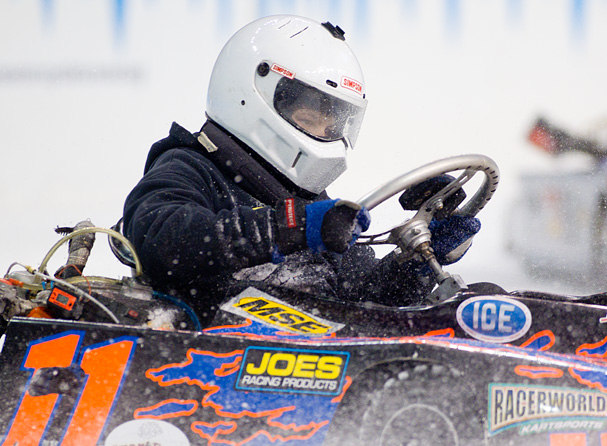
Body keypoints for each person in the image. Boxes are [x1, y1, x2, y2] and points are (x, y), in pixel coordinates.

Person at [121, 15, 480, 326]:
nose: (325, 130)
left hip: (319, 360)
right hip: (219, 354)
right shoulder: (191, 166)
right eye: (311, 114)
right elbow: (159, 236)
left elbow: (365, 298)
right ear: (254, 91)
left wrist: (417, 261)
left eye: (333, 119)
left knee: (482, 308)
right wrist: (290, 227)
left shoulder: (308, 201)